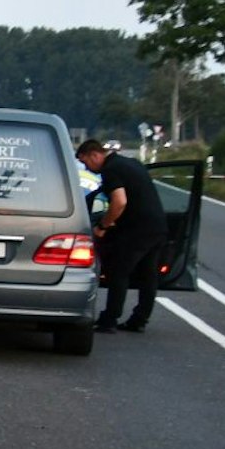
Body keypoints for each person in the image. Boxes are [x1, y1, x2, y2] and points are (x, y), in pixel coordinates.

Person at [75, 139, 168, 333]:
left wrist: (102, 225)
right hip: (158, 226)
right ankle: (140, 319)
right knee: (148, 275)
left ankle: (109, 319)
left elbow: (119, 201)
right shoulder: (131, 163)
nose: (88, 168)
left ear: (95, 155)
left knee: (118, 272)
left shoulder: (111, 170)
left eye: (86, 163)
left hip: (136, 229)